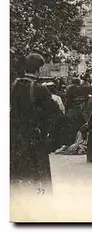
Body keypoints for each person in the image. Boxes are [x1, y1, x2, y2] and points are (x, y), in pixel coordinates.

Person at [11, 52, 59, 194]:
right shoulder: (40, 89)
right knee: (40, 176)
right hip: (34, 138)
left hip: (14, 138)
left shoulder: (12, 86)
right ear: (38, 70)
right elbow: (54, 113)